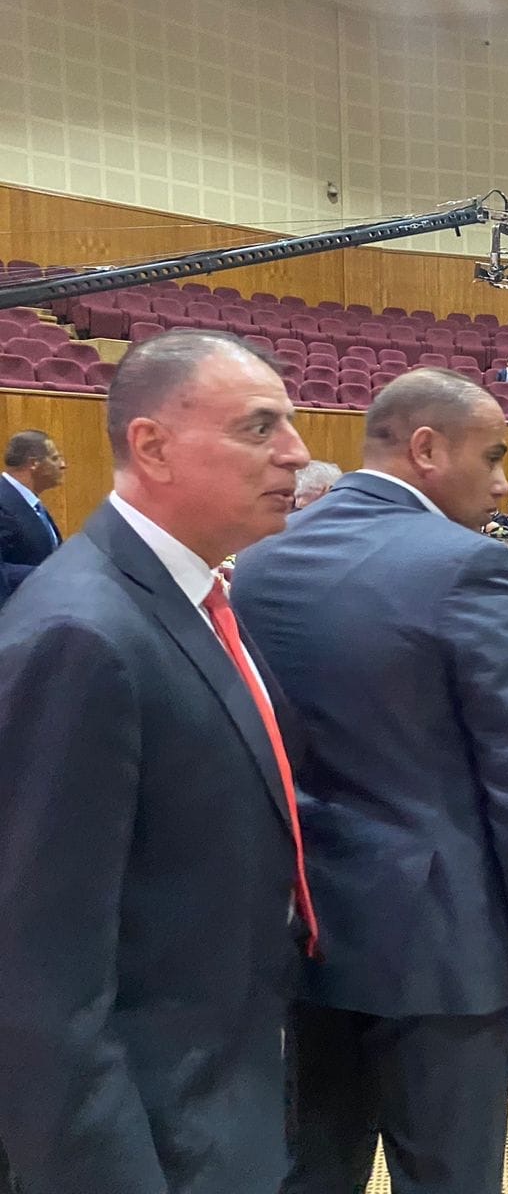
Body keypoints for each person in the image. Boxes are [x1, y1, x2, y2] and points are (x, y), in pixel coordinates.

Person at [230, 369, 508, 1193]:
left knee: (315, 1169)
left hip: (305, 925)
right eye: (493, 457)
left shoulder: (264, 561)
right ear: (427, 449)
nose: (504, 485)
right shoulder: (470, 566)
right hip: (441, 944)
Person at [0, 331, 315, 1190]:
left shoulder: (190, 594)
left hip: (223, 1082)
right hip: (158, 1133)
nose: (296, 451)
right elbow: (38, 985)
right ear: (153, 446)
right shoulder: (80, 634)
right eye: (259, 427)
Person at [0, 429, 66, 604]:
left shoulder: (32, 504)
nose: (62, 465)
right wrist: (47, 574)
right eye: (54, 458)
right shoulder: (3, 500)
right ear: (34, 463)